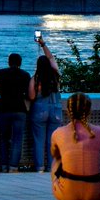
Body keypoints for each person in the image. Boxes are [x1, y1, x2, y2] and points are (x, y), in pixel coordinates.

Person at [50, 93, 100, 200]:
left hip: (66, 193)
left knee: (57, 159)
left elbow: (54, 154)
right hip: (96, 193)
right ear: (89, 111)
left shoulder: (58, 133)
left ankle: (62, 185)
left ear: (68, 110)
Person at [28, 36, 61, 173]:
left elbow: (31, 96)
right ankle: (51, 167)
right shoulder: (56, 76)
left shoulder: (35, 79)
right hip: (56, 110)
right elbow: (51, 58)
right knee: (52, 140)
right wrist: (43, 44)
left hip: (39, 109)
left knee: (39, 140)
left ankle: (40, 168)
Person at [0, 52, 30, 173]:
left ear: (8, 62)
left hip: (4, 108)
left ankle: (4, 165)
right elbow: (28, 93)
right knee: (17, 139)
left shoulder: (1, 73)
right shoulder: (25, 75)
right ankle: (13, 166)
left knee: (4, 138)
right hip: (19, 109)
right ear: (20, 63)